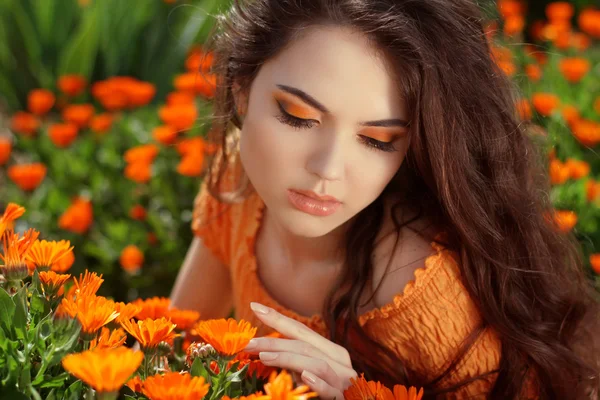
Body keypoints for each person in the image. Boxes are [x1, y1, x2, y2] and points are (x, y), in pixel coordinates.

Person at [169, 0, 600, 398]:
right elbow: (171, 347)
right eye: (298, 117)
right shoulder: (237, 180)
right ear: (242, 89)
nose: (329, 169)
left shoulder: (419, 292)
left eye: (377, 140)